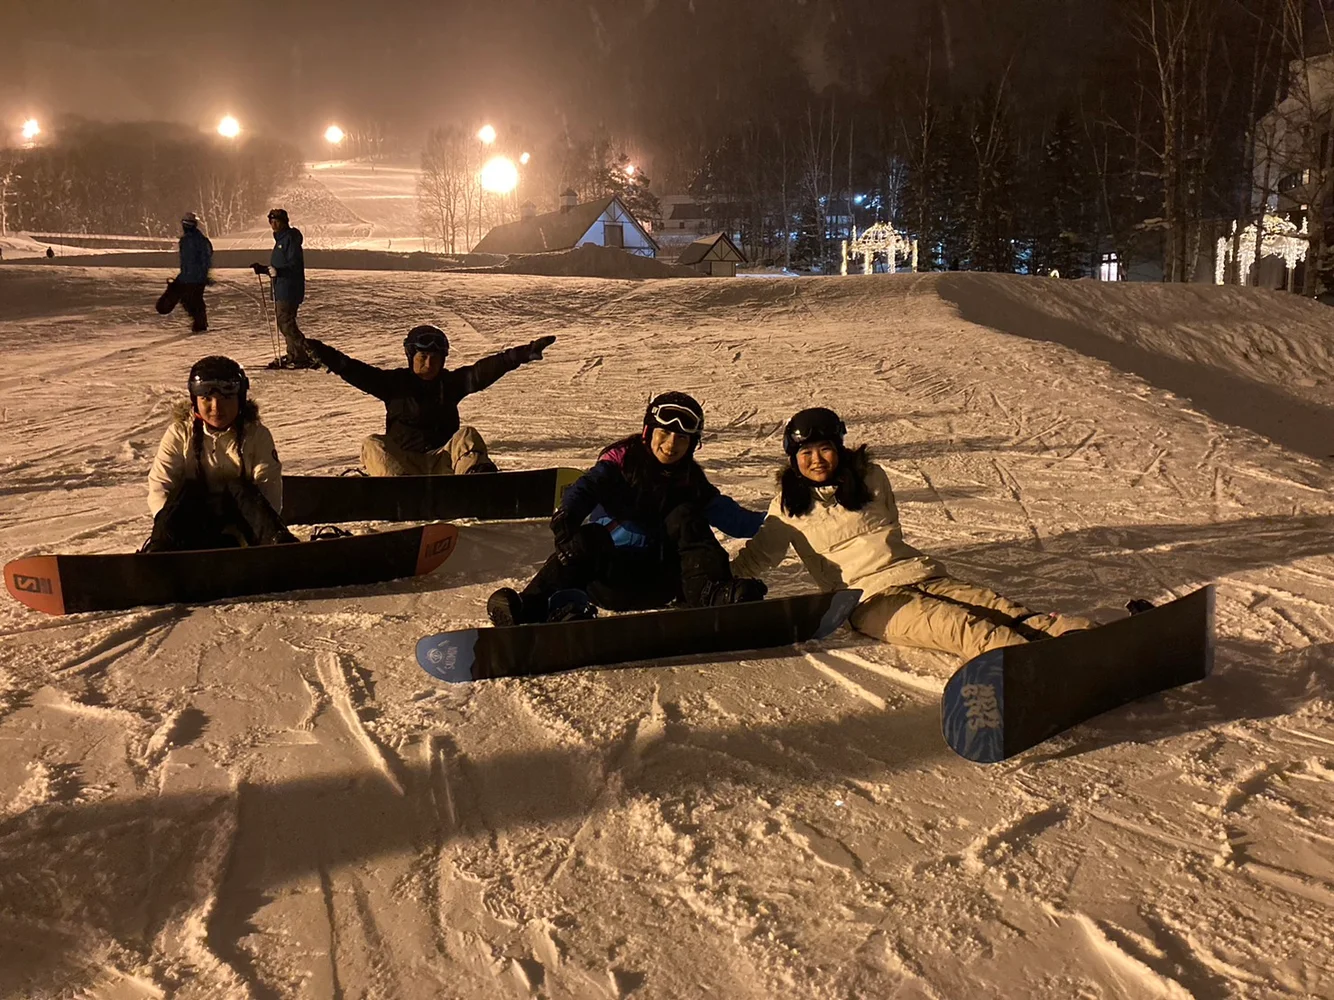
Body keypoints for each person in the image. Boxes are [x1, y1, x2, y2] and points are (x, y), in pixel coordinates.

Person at [730, 407, 1094, 662]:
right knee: (961, 627)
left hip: (920, 573)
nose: (817, 459)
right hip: (867, 600)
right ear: (793, 459)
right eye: (805, 452)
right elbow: (759, 558)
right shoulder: (787, 507)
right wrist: (712, 584)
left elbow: (890, 527)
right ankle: (1032, 663)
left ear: (838, 448)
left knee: (1004, 609)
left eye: (824, 448)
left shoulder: (871, 478)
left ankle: (1084, 639)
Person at [487, 391, 769, 626]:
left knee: (686, 517)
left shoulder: (691, 482)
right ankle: (531, 606)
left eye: (682, 438)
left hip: (664, 583)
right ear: (648, 431)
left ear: (693, 444)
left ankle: (709, 595)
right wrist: (567, 516)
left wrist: (789, 516)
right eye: (665, 433)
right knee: (589, 537)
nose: (671, 445)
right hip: (610, 582)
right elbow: (587, 487)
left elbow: (736, 520)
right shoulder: (622, 463)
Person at [300, 324, 555, 476]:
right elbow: (353, 369)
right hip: (403, 467)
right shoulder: (393, 384)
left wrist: (522, 353)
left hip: (442, 462)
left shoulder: (451, 383)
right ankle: (397, 490)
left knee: (467, 435)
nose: (429, 363)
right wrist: (321, 352)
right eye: (422, 357)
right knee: (372, 444)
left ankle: (476, 484)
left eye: (435, 358)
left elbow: (484, 370)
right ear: (411, 357)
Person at [143, 356, 297, 552]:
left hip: (243, 523)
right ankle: (159, 553)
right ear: (195, 400)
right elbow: (160, 485)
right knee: (189, 491)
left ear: (239, 399)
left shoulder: (256, 434)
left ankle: (282, 549)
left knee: (239, 487)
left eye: (226, 398)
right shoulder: (180, 433)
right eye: (206, 399)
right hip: (193, 524)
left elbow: (268, 486)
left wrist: (260, 530)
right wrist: (168, 528)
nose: (216, 407)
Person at [251, 207, 316, 369]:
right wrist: (264, 269)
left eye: (276, 221)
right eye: (271, 221)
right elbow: (278, 267)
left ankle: (305, 353)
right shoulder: (281, 240)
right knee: (285, 322)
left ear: (284, 222)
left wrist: (278, 271)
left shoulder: (290, 239)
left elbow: (293, 264)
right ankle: (295, 354)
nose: (273, 225)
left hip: (289, 288)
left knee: (285, 322)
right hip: (281, 287)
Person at [175, 211, 213, 333]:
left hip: (196, 276)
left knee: (195, 299)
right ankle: (199, 321)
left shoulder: (199, 240)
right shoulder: (185, 240)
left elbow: (206, 257)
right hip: (187, 275)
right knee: (187, 299)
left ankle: (200, 323)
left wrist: (203, 274)